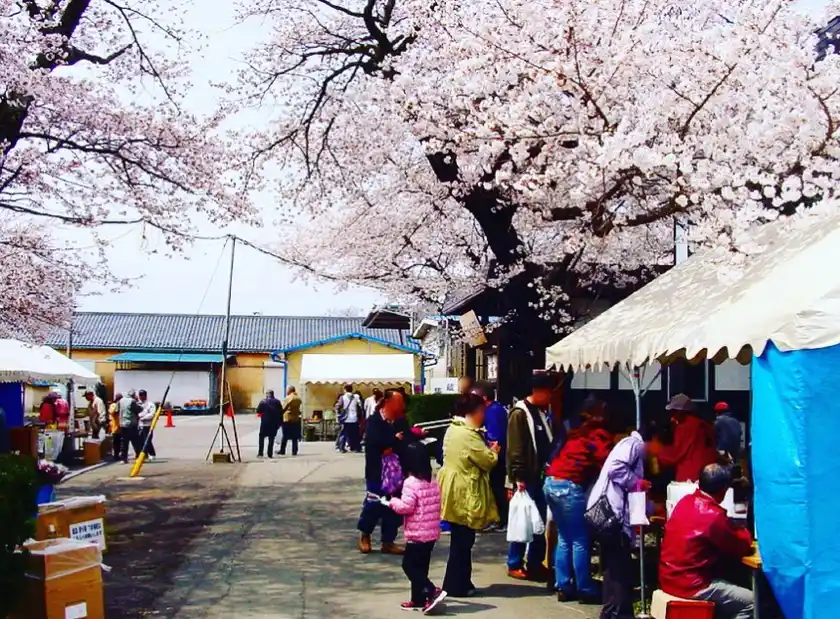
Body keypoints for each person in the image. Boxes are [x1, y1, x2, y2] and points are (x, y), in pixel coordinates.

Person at [660, 464, 755, 619]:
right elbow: (742, 545)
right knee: (751, 602)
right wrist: (742, 529)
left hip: (669, 579)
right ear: (724, 490)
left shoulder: (684, 502)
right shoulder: (713, 515)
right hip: (692, 585)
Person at [544, 396, 615, 603]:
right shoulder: (598, 435)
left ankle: (564, 585)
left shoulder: (576, 433)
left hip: (551, 483)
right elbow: (608, 463)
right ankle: (585, 588)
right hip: (569, 486)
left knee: (565, 538)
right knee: (580, 539)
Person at [438, 393, 500, 597]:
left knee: (461, 539)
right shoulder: (468, 434)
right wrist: (495, 451)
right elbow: (487, 460)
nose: (484, 415)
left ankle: (460, 581)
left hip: (454, 488)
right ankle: (456, 585)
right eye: (482, 411)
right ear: (474, 412)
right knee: (463, 541)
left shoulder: (454, 429)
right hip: (464, 490)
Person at [587, 426, 651, 619]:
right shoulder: (633, 445)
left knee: (614, 566)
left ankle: (614, 611)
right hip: (611, 515)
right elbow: (617, 468)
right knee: (618, 566)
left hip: (609, 514)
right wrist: (637, 483)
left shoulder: (631, 446)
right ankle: (617, 612)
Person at [382, 442, 448, 613]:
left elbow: (406, 507)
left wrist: (391, 502)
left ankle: (431, 590)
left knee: (409, 566)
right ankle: (418, 599)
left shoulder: (411, 482)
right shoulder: (431, 479)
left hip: (417, 534)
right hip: (431, 532)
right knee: (421, 567)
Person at [506, 373, 555, 581]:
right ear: (538, 391)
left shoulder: (541, 413)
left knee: (538, 521)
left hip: (541, 475)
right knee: (523, 520)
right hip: (526, 477)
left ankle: (535, 562)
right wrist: (518, 476)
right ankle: (514, 562)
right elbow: (515, 448)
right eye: (549, 392)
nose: (551, 396)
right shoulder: (520, 413)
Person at [358, 389, 409, 555]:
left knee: (393, 507)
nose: (401, 407)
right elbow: (375, 444)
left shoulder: (400, 421)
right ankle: (365, 535)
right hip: (377, 471)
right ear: (388, 402)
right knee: (373, 504)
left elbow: (405, 441)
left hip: (396, 473)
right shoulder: (374, 421)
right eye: (398, 403)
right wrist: (393, 440)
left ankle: (388, 541)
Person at [658, 394, 718, 482]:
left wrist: (658, 453)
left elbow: (676, 453)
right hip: (708, 474)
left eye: (673, 412)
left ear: (680, 411)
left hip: (690, 475)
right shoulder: (705, 425)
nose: (672, 416)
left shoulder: (685, 427)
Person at [474, 382, 509, 530]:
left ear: (484, 397)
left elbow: (494, 437)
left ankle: (501, 519)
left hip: (497, 457)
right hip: (497, 456)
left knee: (496, 488)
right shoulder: (495, 409)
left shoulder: (493, 411)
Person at [118, 390, 143, 463]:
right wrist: (137, 400)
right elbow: (139, 409)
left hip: (122, 424)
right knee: (135, 441)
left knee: (124, 442)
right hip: (131, 424)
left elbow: (117, 410)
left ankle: (123, 458)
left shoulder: (121, 400)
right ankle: (138, 456)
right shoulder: (132, 401)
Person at [257, 390, 282, 458]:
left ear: (267, 395)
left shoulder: (263, 402)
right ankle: (269, 454)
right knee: (271, 438)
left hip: (265, 423)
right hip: (274, 424)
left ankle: (260, 453)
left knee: (261, 437)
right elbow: (281, 413)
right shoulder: (277, 402)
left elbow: (258, 411)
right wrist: (280, 423)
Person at [280, 386, 302, 456]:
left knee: (285, 435)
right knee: (295, 436)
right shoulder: (298, 398)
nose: (286, 391)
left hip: (287, 419)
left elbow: (283, 408)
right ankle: (294, 451)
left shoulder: (288, 398)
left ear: (290, 390)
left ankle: (282, 450)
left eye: (287, 390)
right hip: (295, 419)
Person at [340, 384, 363, 453]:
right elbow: (360, 405)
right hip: (354, 418)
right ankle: (357, 447)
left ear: (345, 389)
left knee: (344, 434)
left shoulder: (343, 397)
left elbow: (338, 406)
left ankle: (342, 448)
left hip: (346, 418)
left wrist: (340, 414)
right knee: (355, 434)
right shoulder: (356, 397)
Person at [137, 390, 157, 460]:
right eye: (140, 395)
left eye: (142, 395)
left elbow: (152, 414)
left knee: (147, 440)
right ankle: (144, 455)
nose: (140, 397)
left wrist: (143, 418)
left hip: (148, 425)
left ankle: (152, 454)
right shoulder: (138, 404)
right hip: (140, 425)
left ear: (145, 396)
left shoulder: (150, 404)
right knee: (140, 441)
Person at [109, 393, 122, 460]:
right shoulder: (113, 405)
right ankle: (116, 455)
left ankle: (120, 455)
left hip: (121, 427)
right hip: (115, 427)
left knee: (121, 443)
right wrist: (118, 405)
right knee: (116, 442)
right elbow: (112, 412)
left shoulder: (122, 406)